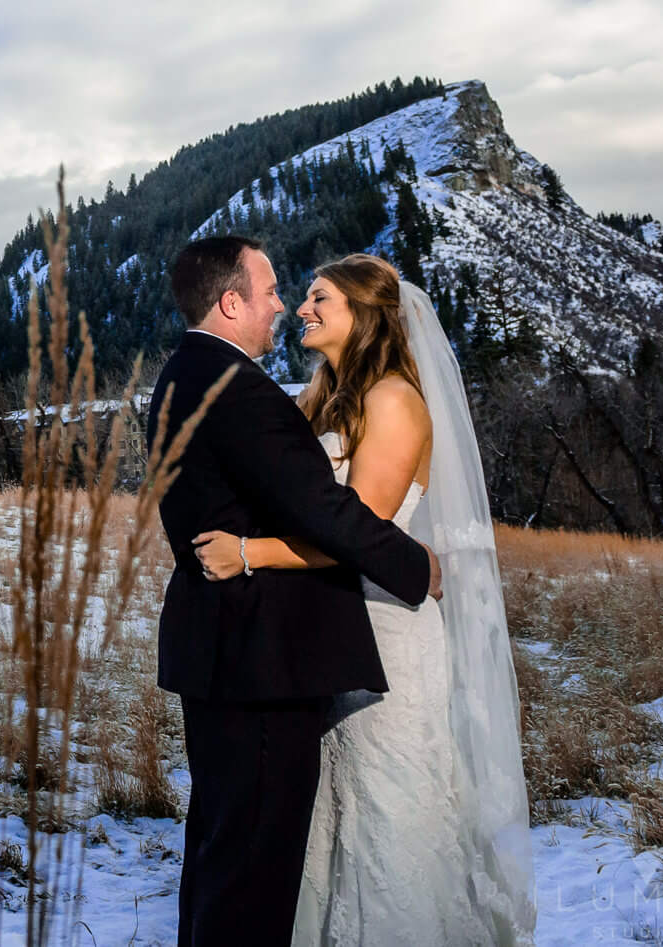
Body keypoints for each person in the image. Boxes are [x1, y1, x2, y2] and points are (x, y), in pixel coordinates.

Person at [193, 253, 534, 946]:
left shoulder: (393, 400)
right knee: (328, 823)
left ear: (364, 313)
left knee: (388, 814)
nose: (302, 308)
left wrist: (248, 553)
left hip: (389, 635)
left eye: (320, 297)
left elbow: (359, 533)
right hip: (329, 637)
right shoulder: (322, 396)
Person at [150, 237, 440, 947]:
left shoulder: (186, 373)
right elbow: (327, 512)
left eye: (309, 293)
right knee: (250, 870)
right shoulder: (238, 388)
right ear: (230, 302)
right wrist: (417, 567)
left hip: (238, 650)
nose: (286, 303)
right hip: (262, 659)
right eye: (274, 288)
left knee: (227, 853)